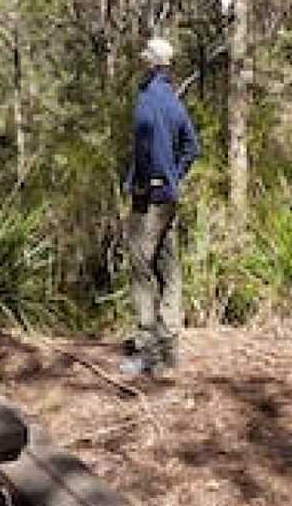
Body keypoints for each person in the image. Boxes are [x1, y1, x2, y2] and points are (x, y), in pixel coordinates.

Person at [120, 37, 200, 376]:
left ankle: (148, 354)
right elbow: (192, 147)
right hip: (169, 197)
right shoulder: (173, 102)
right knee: (169, 269)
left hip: (150, 199)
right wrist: (173, 177)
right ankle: (169, 350)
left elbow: (143, 149)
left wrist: (143, 183)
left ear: (152, 63)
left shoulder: (147, 101)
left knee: (141, 270)